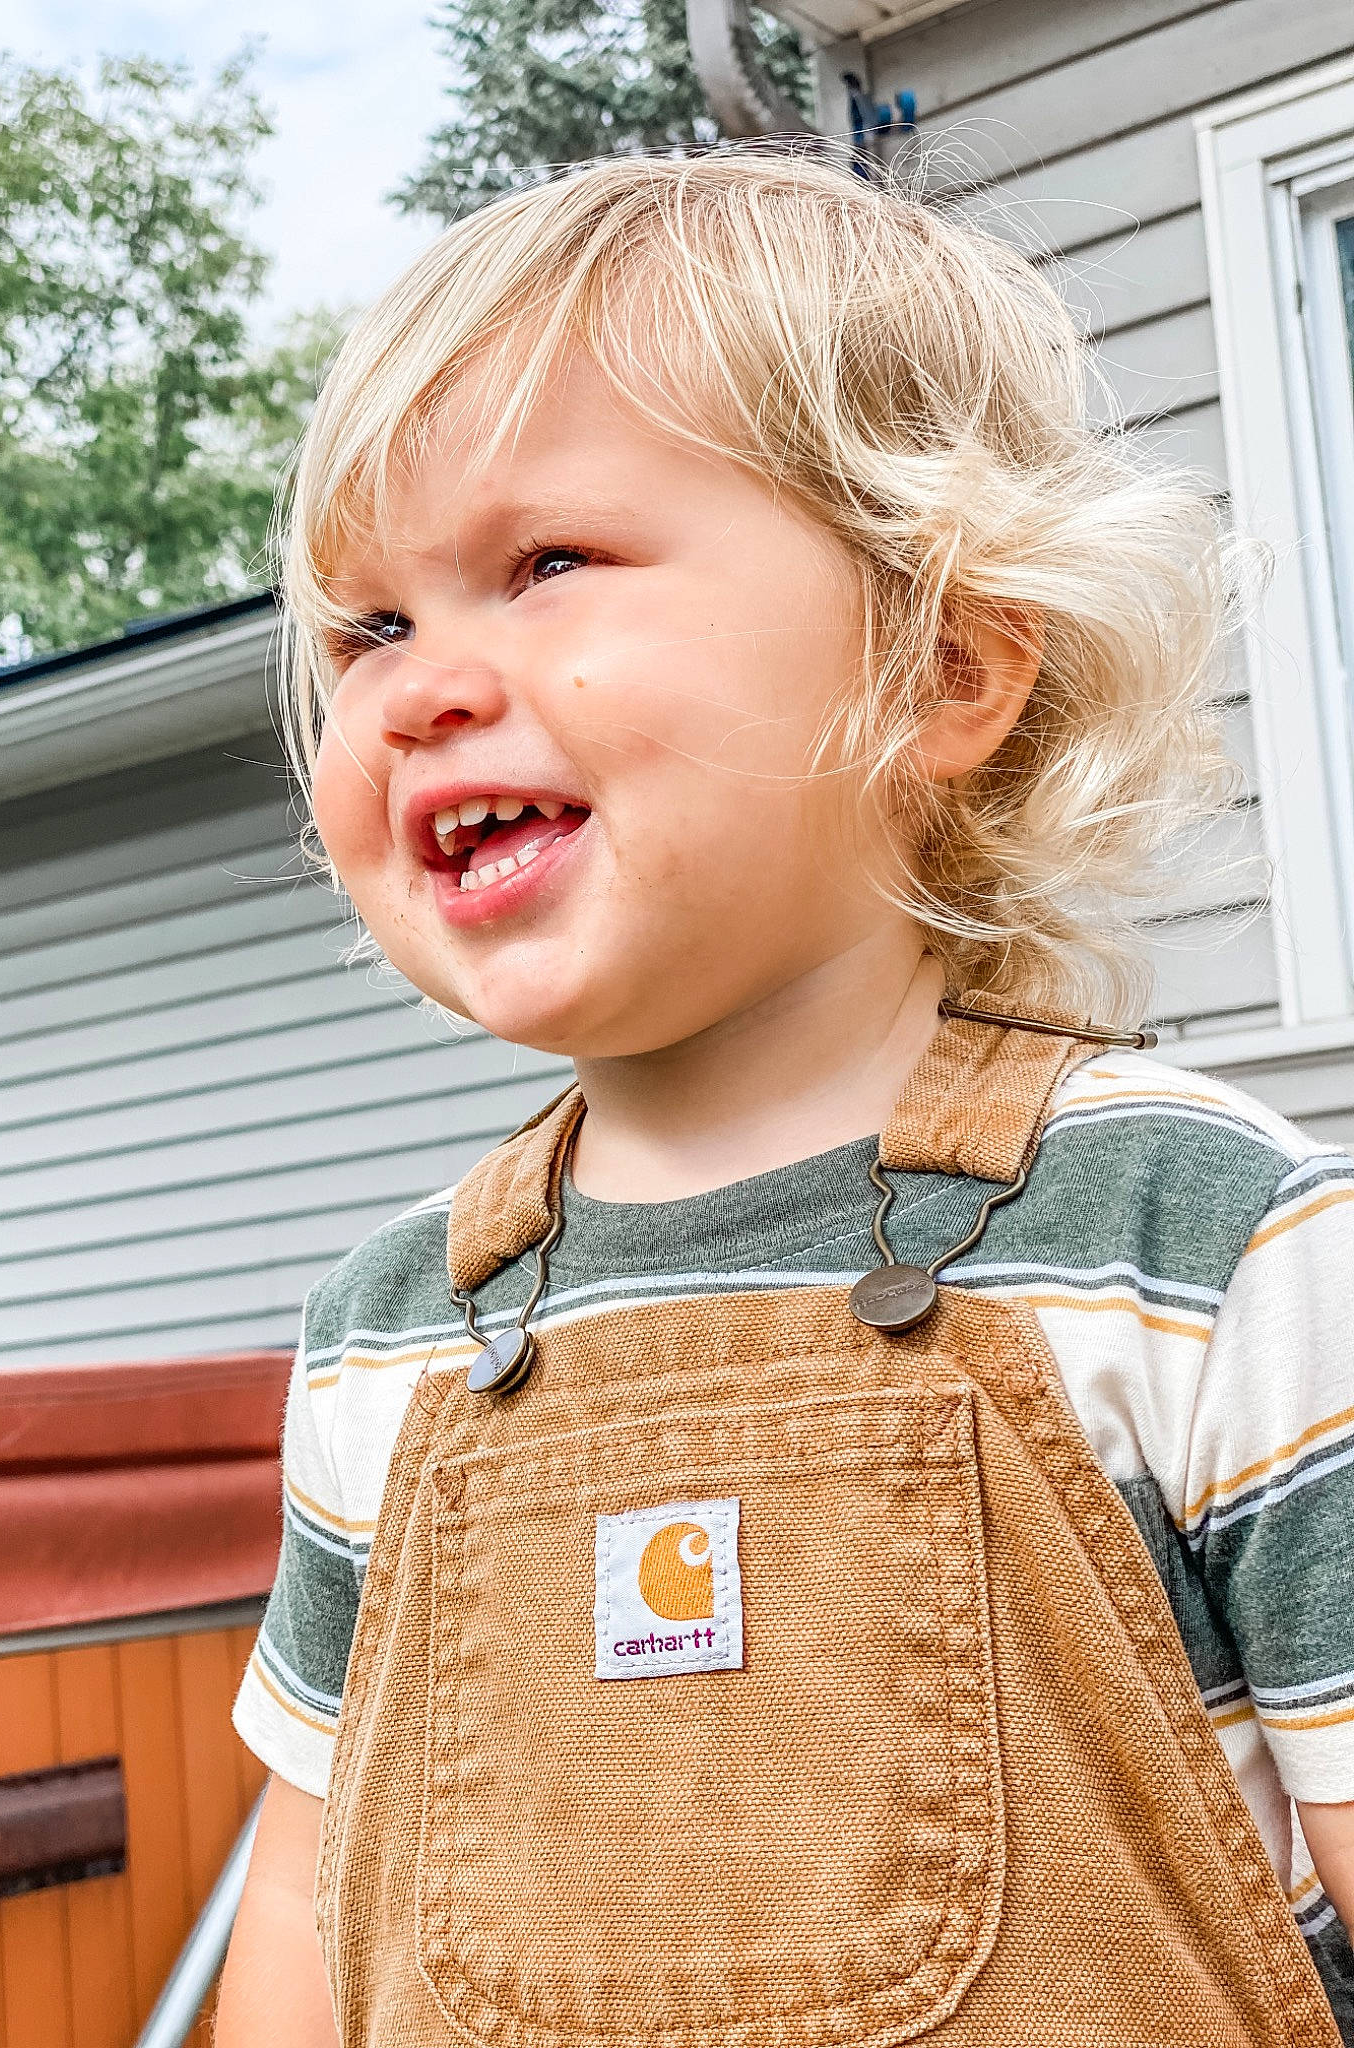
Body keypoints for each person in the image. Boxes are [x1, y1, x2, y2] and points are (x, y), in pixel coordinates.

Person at [214, 149, 1354, 2046]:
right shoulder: (389, 1337)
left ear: (944, 664)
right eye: (366, 631)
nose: (415, 690)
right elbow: (307, 1896)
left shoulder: (1205, 1246)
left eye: (547, 563)